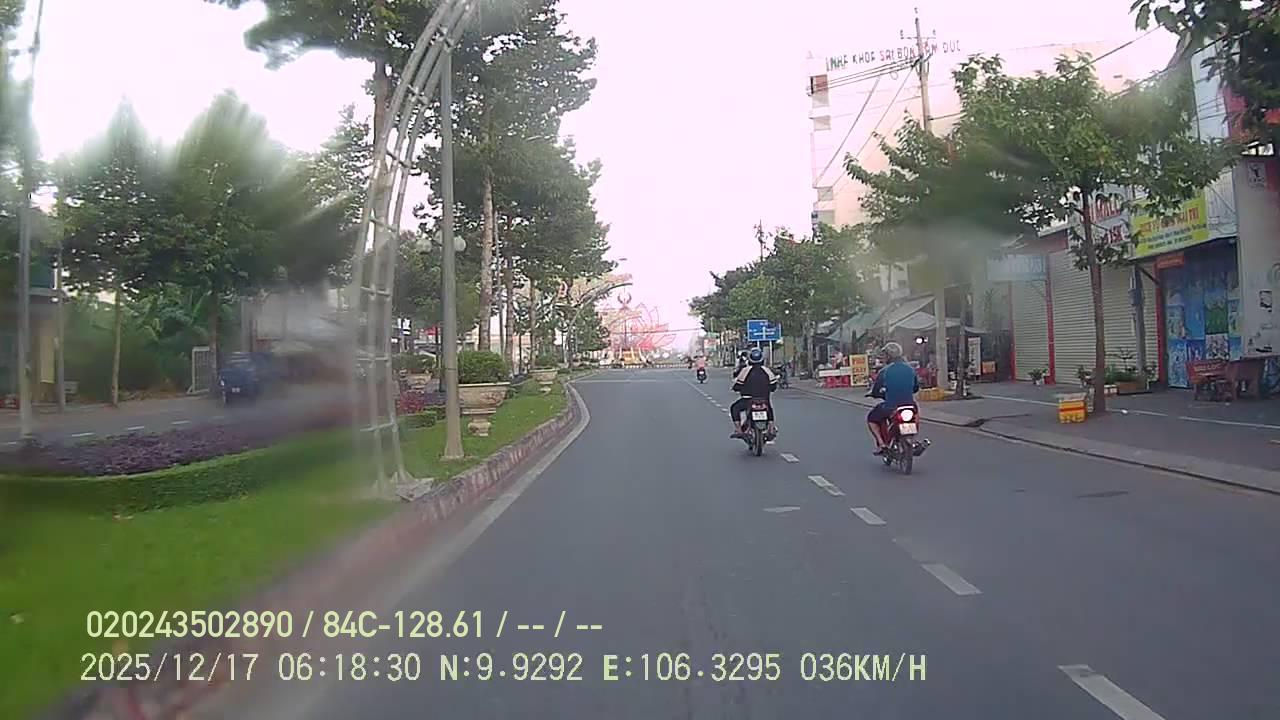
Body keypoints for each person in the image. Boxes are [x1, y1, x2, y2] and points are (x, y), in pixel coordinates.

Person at [866, 341, 919, 454]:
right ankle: (913, 439)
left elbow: (876, 390)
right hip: (909, 405)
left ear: (888, 356)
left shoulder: (884, 371)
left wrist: (875, 394)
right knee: (916, 413)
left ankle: (882, 444)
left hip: (890, 406)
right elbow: (915, 388)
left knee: (872, 419)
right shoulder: (910, 369)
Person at [730, 348, 779, 439]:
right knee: (769, 408)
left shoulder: (745, 370)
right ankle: (771, 428)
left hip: (748, 399)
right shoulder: (767, 370)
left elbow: (738, 384)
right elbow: (773, 384)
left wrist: (736, 388)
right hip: (764, 399)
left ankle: (739, 430)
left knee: (734, 408)